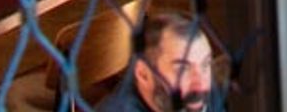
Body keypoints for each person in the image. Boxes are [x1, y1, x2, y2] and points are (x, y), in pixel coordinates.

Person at [94, 11, 224, 112]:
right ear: (143, 74)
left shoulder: (202, 92)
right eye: (182, 70)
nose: (201, 85)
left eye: (205, 65)